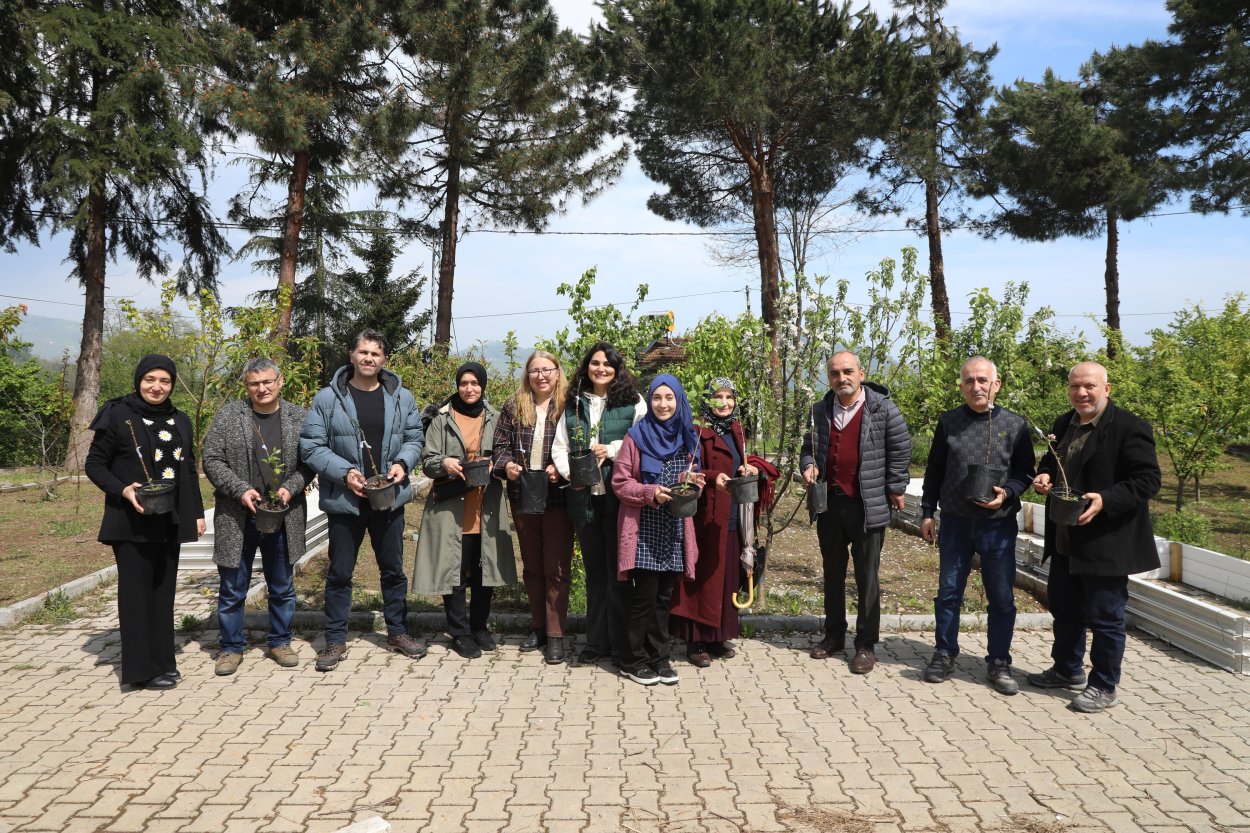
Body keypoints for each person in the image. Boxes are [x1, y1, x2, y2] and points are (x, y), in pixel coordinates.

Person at [1027, 361, 1161, 713]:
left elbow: (1147, 480)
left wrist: (1106, 499)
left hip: (1106, 542)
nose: (1081, 393)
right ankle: (1067, 669)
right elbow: (1053, 462)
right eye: (1075, 386)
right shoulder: (1063, 423)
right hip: (1065, 538)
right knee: (1065, 609)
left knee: (1105, 617)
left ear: (1107, 389)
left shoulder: (1129, 427)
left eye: (1089, 386)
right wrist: (1044, 475)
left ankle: (1103, 684)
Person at [299, 330, 427, 671]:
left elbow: (415, 438)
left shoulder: (401, 397)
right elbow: (311, 446)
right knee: (340, 572)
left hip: (389, 497)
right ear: (352, 355)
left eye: (376, 353)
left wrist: (403, 463)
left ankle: (397, 632)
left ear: (384, 359)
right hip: (346, 500)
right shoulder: (328, 398)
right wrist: (344, 473)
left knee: (393, 570)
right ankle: (334, 640)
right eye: (363, 352)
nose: (369, 358)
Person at [85, 354, 205, 689]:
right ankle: (140, 672)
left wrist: (197, 513)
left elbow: (188, 469)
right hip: (131, 521)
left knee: (163, 595)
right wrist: (123, 490)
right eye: (150, 379)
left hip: (169, 519)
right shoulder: (118, 414)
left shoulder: (180, 419)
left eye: (164, 381)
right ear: (139, 380)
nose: (157, 387)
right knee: (137, 596)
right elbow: (94, 464)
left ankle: (163, 662)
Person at [919, 357, 1035, 695]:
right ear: (961, 387)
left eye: (983, 380)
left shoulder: (1014, 425)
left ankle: (999, 661)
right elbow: (935, 471)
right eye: (969, 381)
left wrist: (1007, 493)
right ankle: (944, 653)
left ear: (996, 384)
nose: (976, 386)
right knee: (949, 593)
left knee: (1001, 596)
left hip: (997, 525)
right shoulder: (949, 423)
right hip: (955, 522)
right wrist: (927, 512)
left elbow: (1025, 471)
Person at [800, 351, 911, 674]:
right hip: (829, 504)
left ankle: (865, 644)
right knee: (832, 572)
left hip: (867, 505)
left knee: (867, 577)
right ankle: (834, 635)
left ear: (861, 374)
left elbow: (900, 450)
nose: (842, 378)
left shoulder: (883, 410)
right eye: (835, 373)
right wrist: (808, 465)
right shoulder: (819, 411)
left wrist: (896, 487)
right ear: (829, 378)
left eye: (848, 371)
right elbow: (807, 449)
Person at [203, 357, 314, 676]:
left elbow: (309, 462)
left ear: (280, 381)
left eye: (267, 381)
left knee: (281, 585)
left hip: (282, 514)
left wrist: (290, 488)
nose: (261, 388)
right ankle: (231, 646)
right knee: (232, 587)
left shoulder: (299, 417)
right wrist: (240, 489)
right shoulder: (229, 416)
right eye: (254, 383)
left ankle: (280, 641)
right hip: (237, 515)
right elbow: (212, 459)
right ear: (246, 386)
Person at [412, 362, 517, 659]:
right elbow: (428, 461)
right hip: (451, 508)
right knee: (454, 572)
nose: (469, 389)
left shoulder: (495, 417)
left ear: (483, 385)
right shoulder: (441, 418)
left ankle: (479, 627)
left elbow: (505, 452)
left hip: (486, 506)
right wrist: (444, 463)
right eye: (463, 383)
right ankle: (459, 632)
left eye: (475, 383)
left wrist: (497, 463)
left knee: (484, 571)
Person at [552, 342, 646, 666]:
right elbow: (559, 447)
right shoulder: (574, 404)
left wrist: (613, 449)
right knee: (595, 574)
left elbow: (642, 441)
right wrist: (572, 474)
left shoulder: (633, 401)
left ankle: (621, 644)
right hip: (584, 499)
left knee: (619, 573)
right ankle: (595, 642)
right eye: (595, 363)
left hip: (619, 499)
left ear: (617, 369)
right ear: (587, 367)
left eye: (608, 364)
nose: (601, 369)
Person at [612, 374, 705, 686]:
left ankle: (658, 658)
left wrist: (692, 483)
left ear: (679, 401)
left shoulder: (688, 435)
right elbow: (620, 483)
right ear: (649, 400)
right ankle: (632, 660)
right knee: (644, 598)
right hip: (644, 530)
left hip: (674, 528)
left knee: (664, 598)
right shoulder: (635, 437)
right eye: (656, 398)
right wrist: (650, 492)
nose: (663, 404)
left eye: (669, 398)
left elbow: (691, 479)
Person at [492, 350, 575, 664]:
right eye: (535, 370)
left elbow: (579, 444)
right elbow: (499, 446)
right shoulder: (514, 405)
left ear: (557, 372)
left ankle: (555, 635)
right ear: (527, 375)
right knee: (532, 566)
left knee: (556, 567)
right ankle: (538, 627)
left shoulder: (569, 405)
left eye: (547, 370)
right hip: (523, 493)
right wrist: (507, 465)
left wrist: (561, 468)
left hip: (557, 495)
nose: (541, 376)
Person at [670, 378, 759, 667]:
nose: (724, 403)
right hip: (705, 514)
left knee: (726, 577)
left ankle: (717, 637)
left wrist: (749, 467)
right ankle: (695, 641)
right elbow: (688, 469)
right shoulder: (698, 431)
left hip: (733, 513)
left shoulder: (737, 430)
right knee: (703, 579)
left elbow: (742, 461)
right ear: (707, 401)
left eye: (729, 397)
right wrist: (710, 477)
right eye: (718, 397)